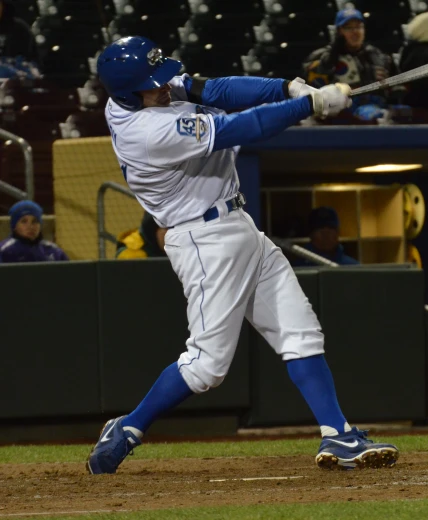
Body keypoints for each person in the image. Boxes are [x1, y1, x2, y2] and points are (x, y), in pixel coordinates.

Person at [85, 36, 398, 475]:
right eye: (152, 83)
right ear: (126, 91)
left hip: (238, 224)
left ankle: (338, 433)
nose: (163, 85)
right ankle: (128, 427)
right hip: (204, 240)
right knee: (206, 367)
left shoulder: (144, 93)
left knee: (300, 332)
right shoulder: (146, 131)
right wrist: (310, 107)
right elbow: (240, 128)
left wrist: (286, 88)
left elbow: (215, 90)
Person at [302, 8, 396, 121]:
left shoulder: (377, 55)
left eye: (358, 27)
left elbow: (395, 85)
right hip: (336, 112)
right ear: (339, 31)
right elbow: (313, 85)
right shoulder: (321, 56)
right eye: (348, 28)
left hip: (374, 108)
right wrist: (333, 54)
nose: (355, 32)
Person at [0, 200, 68, 263]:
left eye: (35, 221)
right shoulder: (4, 251)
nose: (30, 227)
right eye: (24, 221)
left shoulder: (53, 251)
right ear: (14, 226)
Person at [291, 207, 359, 267]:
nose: (326, 233)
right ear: (311, 234)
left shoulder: (352, 267)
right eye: (320, 228)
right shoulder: (298, 269)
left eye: (330, 228)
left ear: (338, 233)